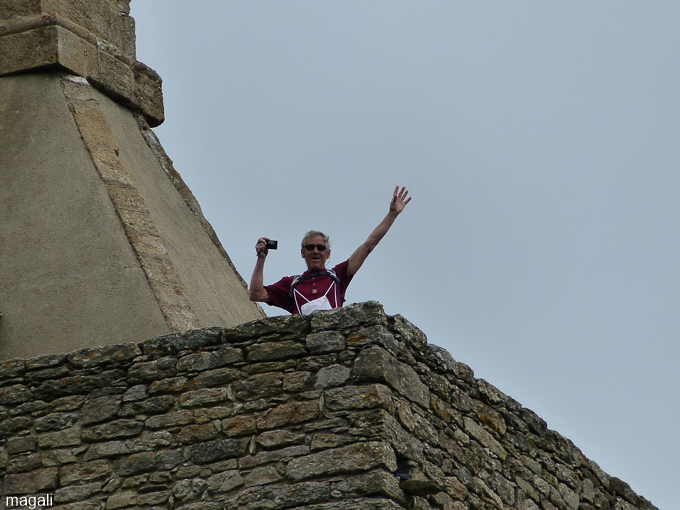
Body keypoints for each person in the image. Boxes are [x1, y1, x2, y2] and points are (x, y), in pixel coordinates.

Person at [249, 186, 412, 315]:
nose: (315, 251)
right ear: (302, 253)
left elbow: (369, 245)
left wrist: (392, 214)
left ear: (328, 254)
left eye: (321, 248)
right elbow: (256, 294)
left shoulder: (338, 276)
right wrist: (261, 259)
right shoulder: (291, 283)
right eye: (310, 247)